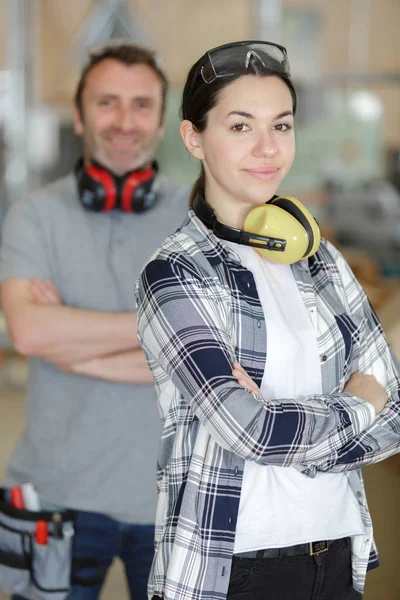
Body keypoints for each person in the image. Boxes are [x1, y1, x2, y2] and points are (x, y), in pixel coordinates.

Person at [135, 40, 400, 600]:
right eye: (239, 126)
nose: (267, 148)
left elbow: (394, 411)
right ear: (194, 138)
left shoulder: (320, 259)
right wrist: (356, 404)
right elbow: (248, 430)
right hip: (233, 567)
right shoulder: (175, 275)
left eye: (281, 126)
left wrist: (286, 423)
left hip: (337, 553)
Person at [0, 42, 188, 599]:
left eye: (141, 105)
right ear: (79, 116)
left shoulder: (201, 218)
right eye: (107, 103)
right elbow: (29, 332)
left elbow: (214, 353)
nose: (124, 121)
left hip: (176, 498)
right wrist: (163, 329)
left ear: (163, 120)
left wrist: (71, 339)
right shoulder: (33, 213)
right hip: (55, 494)